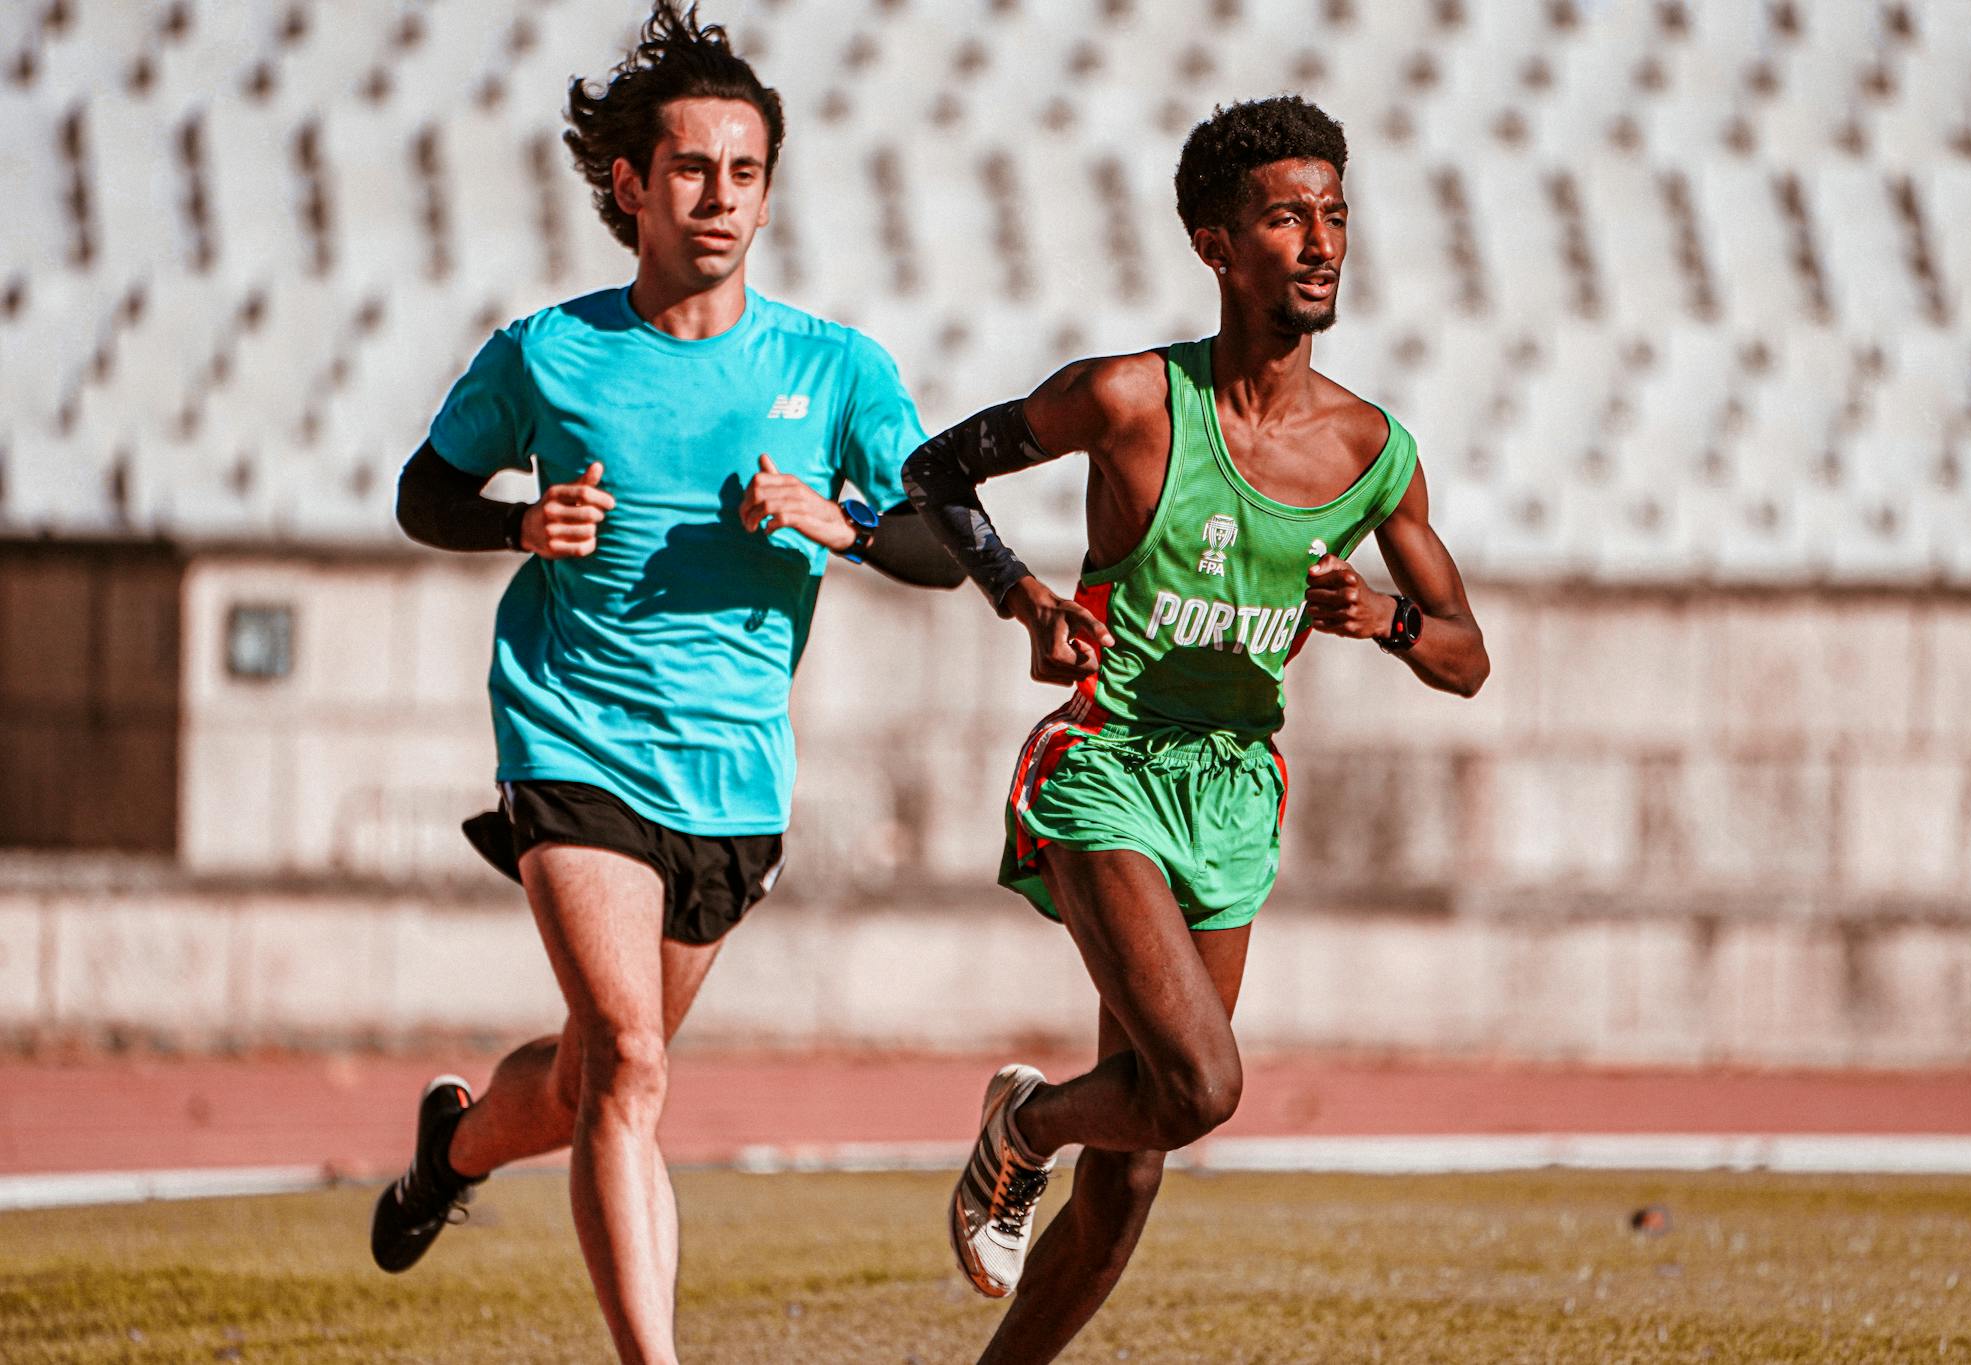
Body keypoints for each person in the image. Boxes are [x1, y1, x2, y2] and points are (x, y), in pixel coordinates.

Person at [369, 6, 961, 1361]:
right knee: (635, 1063)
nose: (720, 197)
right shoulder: (549, 353)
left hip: (733, 767)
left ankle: (452, 1152)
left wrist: (840, 521)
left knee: (589, 1076)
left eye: (744, 172)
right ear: (630, 185)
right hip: (569, 728)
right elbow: (425, 493)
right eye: (691, 169)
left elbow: (944, 541)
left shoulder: (836, 367)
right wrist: (521, 524)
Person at [902, 94, 1490, 1363]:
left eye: (1334, 215)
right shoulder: (1124, 400)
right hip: (1104, 766)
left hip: (1231, 791)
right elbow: (933, 472)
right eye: (1286, 216)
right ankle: (1027, 1128)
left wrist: (1382, 621)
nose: (1321, 241)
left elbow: (1465, 658)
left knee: (1142, 1165)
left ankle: (1029, 1174)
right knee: (1204, 1088)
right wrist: (1023, 597)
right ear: (1214, 244)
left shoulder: (1373, 451)